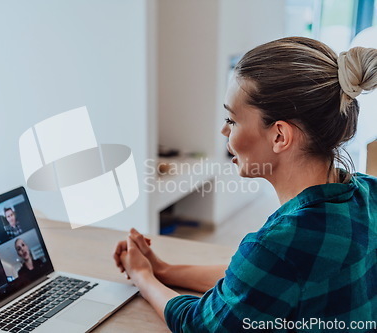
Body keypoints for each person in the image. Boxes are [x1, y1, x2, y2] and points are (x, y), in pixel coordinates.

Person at [114, 37, 377, 332]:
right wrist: (164, 270)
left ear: (280, 136)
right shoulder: (370, 193)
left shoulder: (278, 246)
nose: (224, 130)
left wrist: (142, 276)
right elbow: (255, 282)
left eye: (232, 119)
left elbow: (198, 325)